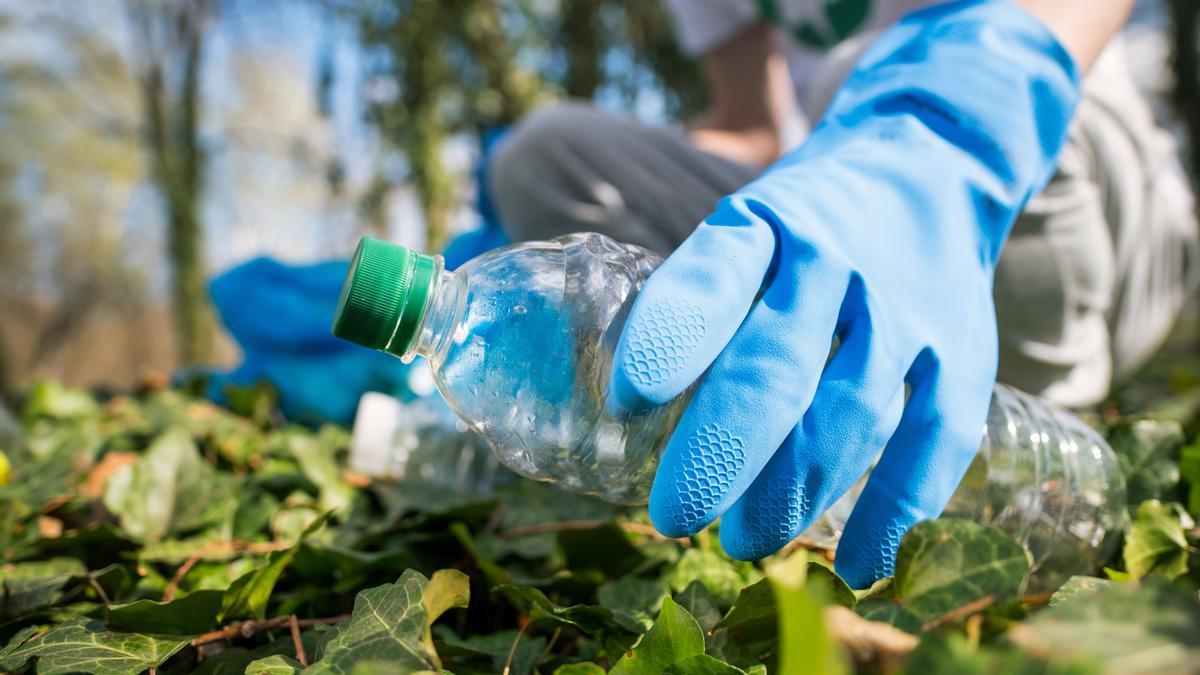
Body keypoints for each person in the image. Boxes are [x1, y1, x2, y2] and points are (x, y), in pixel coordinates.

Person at [486, 0, 1199, 587]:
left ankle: (1037, 400)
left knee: (849, 72)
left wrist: (939, 137)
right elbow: (751, 129)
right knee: (547, 155)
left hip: (1075, 180)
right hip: (847, 185)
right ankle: (830, 396)